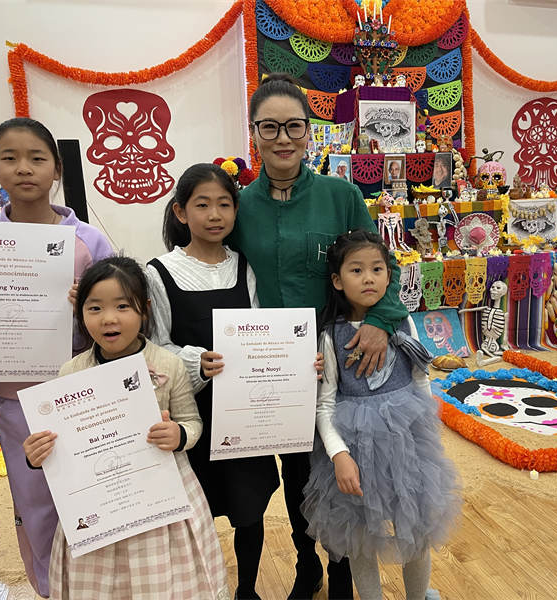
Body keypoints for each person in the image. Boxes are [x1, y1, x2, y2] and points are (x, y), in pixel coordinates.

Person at [228, 72, 409, 600]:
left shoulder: (342, 194)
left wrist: (378, 322)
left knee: (340, 467)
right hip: (271, 367)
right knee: (294, 473)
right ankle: (308, 564)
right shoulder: (240, 206)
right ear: (255, 133)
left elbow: (384, 269)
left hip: (341, 361)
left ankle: (343, 574)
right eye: (270, 127)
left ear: (310, 132)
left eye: (294, 126)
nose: (282, 138)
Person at [0, 118, 114, 598]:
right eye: (10, 158)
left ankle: (100, 586)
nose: (24, 169)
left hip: (81, 392)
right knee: (35, 505)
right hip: (16, 402)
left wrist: (94, 306)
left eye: (37, 158)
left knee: (95, 498)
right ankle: (49, 587)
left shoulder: (90, 243)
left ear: (56, 168)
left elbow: (123, 315)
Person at [23, 256, 229, 600]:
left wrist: (179, 435)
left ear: (144, 310)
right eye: (94, 308)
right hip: (97, 502)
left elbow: (192, 423)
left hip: (160, 496)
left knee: (166, 582)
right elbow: (57, 448)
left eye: (123, 306)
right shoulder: (70, 373)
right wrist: (37, 454)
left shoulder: (168, 364)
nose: (109, 319)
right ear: (80, 313)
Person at [302, 230, 461, 600]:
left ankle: (417, 596)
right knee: (360, 535)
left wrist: (430, 437)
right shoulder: (331, 335)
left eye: (377, 269)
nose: (369, 278)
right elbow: (324, 404)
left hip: (408, 444)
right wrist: (339, 456)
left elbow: (421, 380)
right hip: (356, 450)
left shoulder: (402, 324)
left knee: (417, 527)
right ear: (338, 281)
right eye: (356, 270)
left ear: (389, 276)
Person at [146, 163, 280, 600]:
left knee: (249, 508)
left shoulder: (245, 268)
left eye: (225, 204)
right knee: (190, 510)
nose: (215, 214)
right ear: (181, 212)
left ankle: (246, 590)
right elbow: (157, 344)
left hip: (243, 411)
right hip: (190, 413)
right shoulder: (158, 272)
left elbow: (263, 332)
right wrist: (195, 364)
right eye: (202, 204)